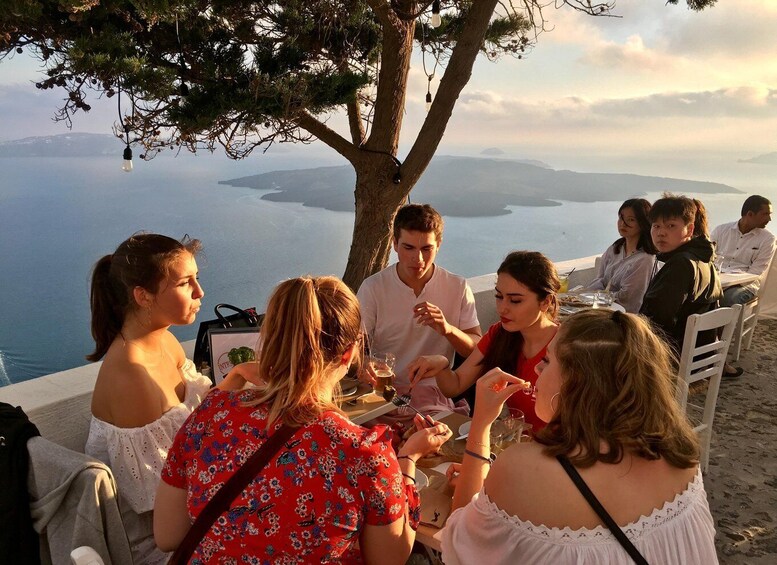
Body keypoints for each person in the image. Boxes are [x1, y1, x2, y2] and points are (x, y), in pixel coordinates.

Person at [154, 276, 452, 563]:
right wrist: (407, 459)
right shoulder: (363, 453)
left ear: (270, 342)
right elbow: (390, 558)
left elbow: (167, 535)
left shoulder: (210, 413)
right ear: (349, 354)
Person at [441, 309, 718, 564]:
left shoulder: (522, 468)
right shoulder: (680, 454)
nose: (536, 369)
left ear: (575, 382)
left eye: (547, 360)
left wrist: (481, 424)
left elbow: (460, 545)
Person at [83, 233, 243, 564]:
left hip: (194, 505)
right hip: (163, 542)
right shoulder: (132, 376)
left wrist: (240, 377)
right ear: (143, 296)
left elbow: (197, 421)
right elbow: (158, 502)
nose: (200, 292)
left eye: (196, 278)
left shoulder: (164, 340)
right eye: (185, 283)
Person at [408, 251, 559, 432]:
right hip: (514, 442)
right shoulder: (500, 335)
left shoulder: (565, 346)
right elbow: (455, 385)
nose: (502, 308)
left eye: (515, 300)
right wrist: (442, 366)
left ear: (545, 302)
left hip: (554, 445)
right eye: (499, 296)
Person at [357, 203, 481, 416]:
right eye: (409, 248)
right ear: (395, 244)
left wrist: (448, 330)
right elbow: (354, 348)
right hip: (381, 394)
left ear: (438, 245)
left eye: (426, 249)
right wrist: (364, 364)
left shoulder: (457, 286)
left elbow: (477, 349)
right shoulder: (373, 288)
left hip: (432, 394)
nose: (418, 259)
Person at [639, 194, 722, 357]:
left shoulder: (681, 264)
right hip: (696, 351)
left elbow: (657, 320)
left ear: (689, 229)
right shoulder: (704, 258)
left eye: (671, 226)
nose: (661, 233)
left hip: (669, 354)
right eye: (656, 226)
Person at [587, 198, 656, 312]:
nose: (623, 224)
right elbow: (600, 280)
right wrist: (583, 297)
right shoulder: (615, 248)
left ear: (643, 223)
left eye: (631, 220)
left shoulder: (644, 259)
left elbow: (628, 299)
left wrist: (599, 297)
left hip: (622, 315)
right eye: (621, 218)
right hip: (601, 307)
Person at [711, 195, 775, 306]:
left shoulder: (767, 239)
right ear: (750, 214)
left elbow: (756, 272)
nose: (769, 219)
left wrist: (728, 283)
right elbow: (707, 258)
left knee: (726, 299)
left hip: (745, 285)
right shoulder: (721, 230)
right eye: (765, 214)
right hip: (717, 279)